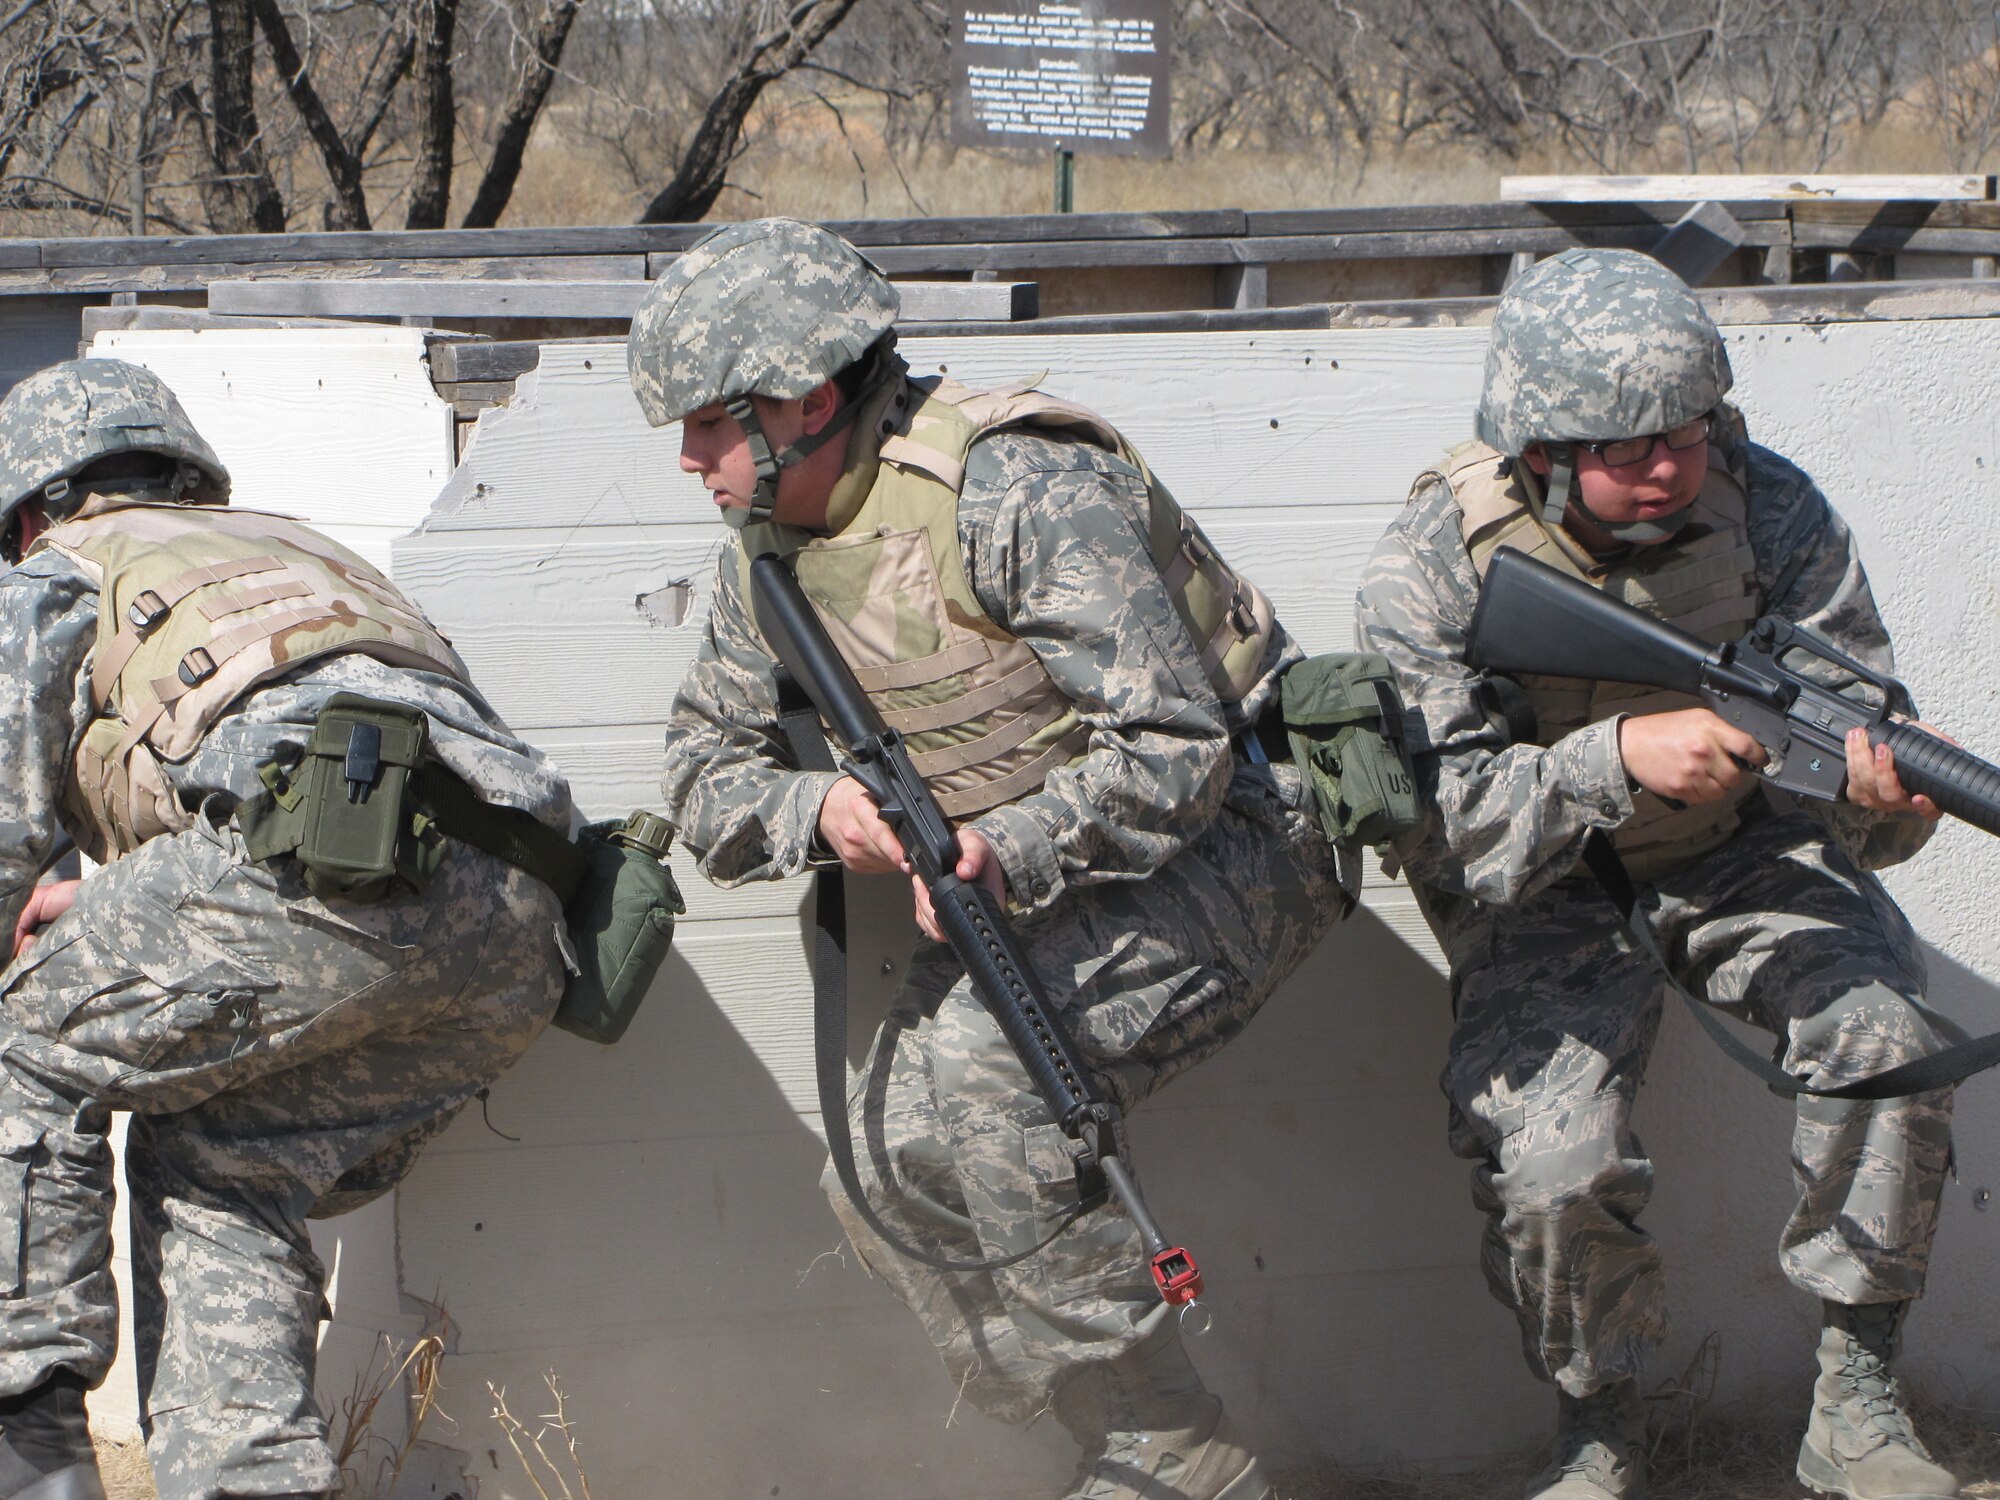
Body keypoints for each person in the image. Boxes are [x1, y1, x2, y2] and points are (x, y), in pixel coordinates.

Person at [632, 218, 1347, 1500]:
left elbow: (1180, 748)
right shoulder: (767, 556)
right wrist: (821, 817)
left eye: (705, 423)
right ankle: (1112, 1419)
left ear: (805, 400)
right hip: (1027, 887)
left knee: (986, 1077)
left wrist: (1002, 843)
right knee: (875, 1168)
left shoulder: (1014, 488)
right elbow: (697, 773)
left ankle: (1169, 1456)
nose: (686, 458)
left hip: (1247, 836)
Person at [1356, 247, 1960, 1500]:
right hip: (1544, 886)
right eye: (1623, 448)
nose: (1665, 466)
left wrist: (1873, 796)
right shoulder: (1437, 561)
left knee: (1884, 1043)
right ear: (1536, 450)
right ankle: (1599, 1426)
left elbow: (1851, 715)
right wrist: (1611, 759)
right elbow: (1439, 812)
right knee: (1549, 1163)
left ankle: (1854, 1403)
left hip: (1745, 848)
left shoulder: (1771, 510)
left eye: (1684, 432)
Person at [0, 359, 579, 1500]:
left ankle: (25, 1442)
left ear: (31, 506)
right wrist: (115, 911)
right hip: (521, 923)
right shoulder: (303, 552)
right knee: (221, 1156)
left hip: (320, 889)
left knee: (20, 1044)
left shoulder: (52, 577)